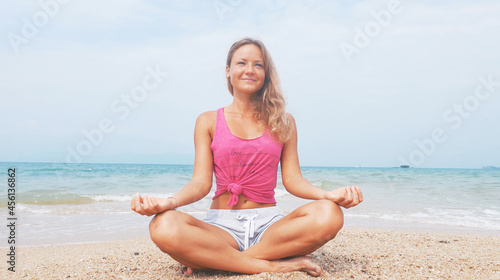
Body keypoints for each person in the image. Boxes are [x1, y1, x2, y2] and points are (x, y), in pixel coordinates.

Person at [131, 37, 363, 277]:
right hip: (221, 227)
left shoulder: (284, 122)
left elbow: (293, 180)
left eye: (258, 65)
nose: (250, 70)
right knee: (163, 225)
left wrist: (328, 195)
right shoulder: (208, 120)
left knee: (330, 213)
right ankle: (271, 265)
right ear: (228, 71)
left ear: (266, 73)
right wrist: (168, 203)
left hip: (270, 227)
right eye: (241, 63)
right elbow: (200, 184)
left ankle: (218, 261)